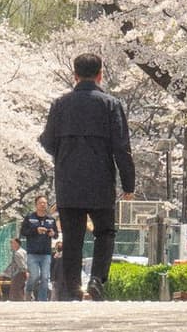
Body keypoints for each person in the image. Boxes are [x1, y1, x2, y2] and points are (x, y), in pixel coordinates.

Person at [38, 52, 135, 302]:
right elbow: (122, 147)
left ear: (75, 75)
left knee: (72, 237)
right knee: (105, 232)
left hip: (68, 180)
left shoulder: (60, 104)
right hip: (101, 179)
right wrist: (128, 183)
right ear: (100, 74)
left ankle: (73, 289)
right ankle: (96, 282)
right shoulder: (110, 104)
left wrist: (65, 154)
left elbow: (47, 141)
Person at [21, 195, 57, 302]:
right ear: (36, 205)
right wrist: (36, 230)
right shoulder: (29, 218)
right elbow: (23, 232)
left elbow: (55, 235)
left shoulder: (51, 220)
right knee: (35, 276)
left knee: (45, 278)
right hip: (32, 253)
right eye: (41, 203)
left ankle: (42, 300)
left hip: (46, 253)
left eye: (45, 203)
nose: (43, 205)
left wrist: (52, 234)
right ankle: (28, 290)